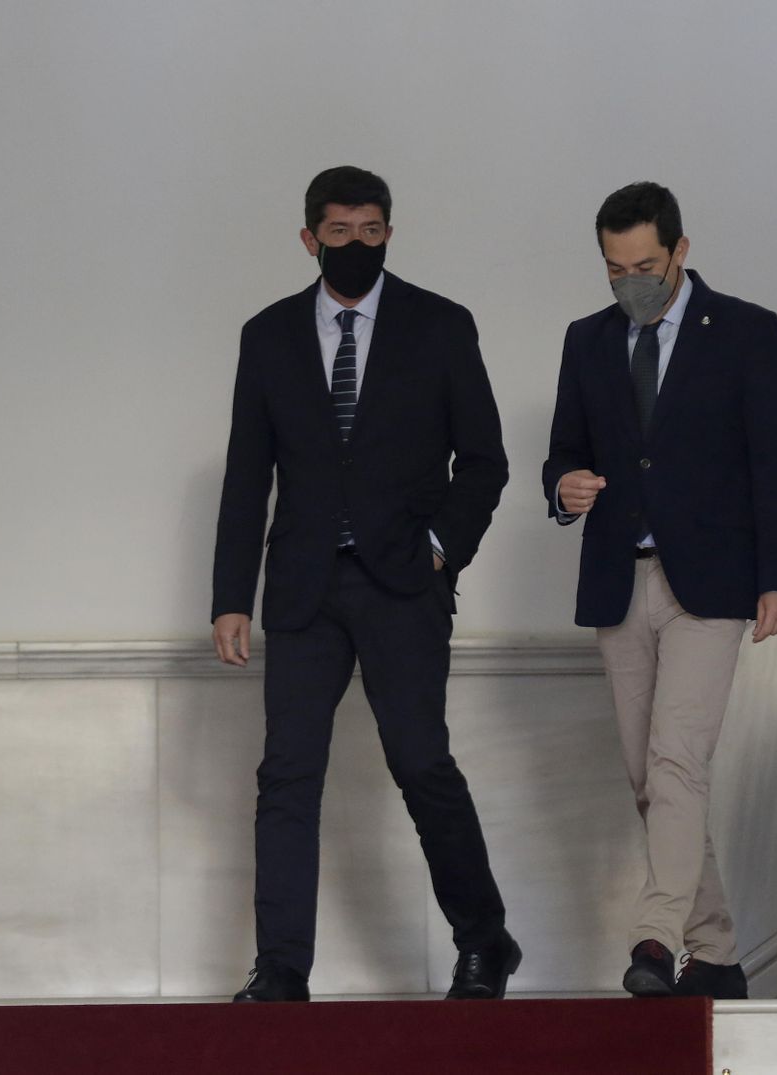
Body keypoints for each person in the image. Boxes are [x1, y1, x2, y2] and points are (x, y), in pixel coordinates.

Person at [211, 165, 519, 1002]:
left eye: (372, 231)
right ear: (309, 238)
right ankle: (281, 969)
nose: (357, 246)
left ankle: (485, 938)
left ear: (391, 232)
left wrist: (439, 547)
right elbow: (249, 474)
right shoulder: (267, 335)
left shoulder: (440, 326)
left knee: (420, 762)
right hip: (304, 589)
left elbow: (485, 460)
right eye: (340, 233)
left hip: (401, 585)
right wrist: (231, 596)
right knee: (287, 775)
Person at [542, 181, 777, 999]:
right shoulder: (587, 340)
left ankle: (656, 940)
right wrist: (566, 488)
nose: (632, 281)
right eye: (615, 268)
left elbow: (776, 458)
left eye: (646, 264)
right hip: (620, 581)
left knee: (677, 762)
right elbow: (562, 453)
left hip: (713, 586)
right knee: (647, 777)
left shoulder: (746, 331)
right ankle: (718, 953)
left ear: (680, 251)